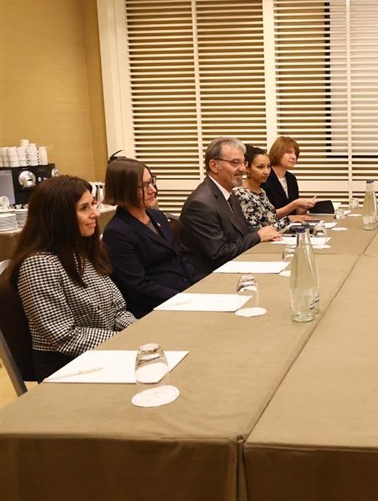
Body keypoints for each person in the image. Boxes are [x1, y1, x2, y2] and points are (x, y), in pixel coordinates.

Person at [9, 176, 136, 380]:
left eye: (93, 204)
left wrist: (139, 332)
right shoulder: (39, 265)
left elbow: (118, 311)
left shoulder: (82, 251)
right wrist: (126, 341)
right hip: (67, 368)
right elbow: (64, 336)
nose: (96, 213)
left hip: (103, 354)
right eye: (84, 208)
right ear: (59, 216)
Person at [103, 157, 199, 318]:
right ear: (123, 190)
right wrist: (183, 299)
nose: (153, 189)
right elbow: (138, 286)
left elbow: (180, 258)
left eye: (151, 182)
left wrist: (200, 286)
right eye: (143, 186)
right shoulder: (117, 232)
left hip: (185, 295)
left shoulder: (157, 216)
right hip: (156, 308)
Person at [180, 137, 282, 278]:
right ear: (214, 165)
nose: (242, 169)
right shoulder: (200, 204)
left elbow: (244, 229)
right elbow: (219, 255)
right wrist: (258, 236)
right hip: (211, 278)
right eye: (235, 162)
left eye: (243, 162)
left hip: (236, 266)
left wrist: (267, 233)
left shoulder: (229, 193)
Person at [233, 144, 314, 230]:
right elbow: (257, 231)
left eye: (268, 166)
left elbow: (271, 219)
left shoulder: (261, 191)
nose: (266, 171)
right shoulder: (241, 193)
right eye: (260, 167)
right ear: (247, 169)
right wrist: (289, 219)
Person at [263, 136, 317, 216]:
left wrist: (306, 206)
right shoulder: (265, 176)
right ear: (277, 152)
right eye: (289, 152)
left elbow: (294, 213)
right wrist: (295, 204)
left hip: (290, 223)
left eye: (295, 154)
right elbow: (267, 215)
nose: (294, 157)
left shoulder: (291, 178)